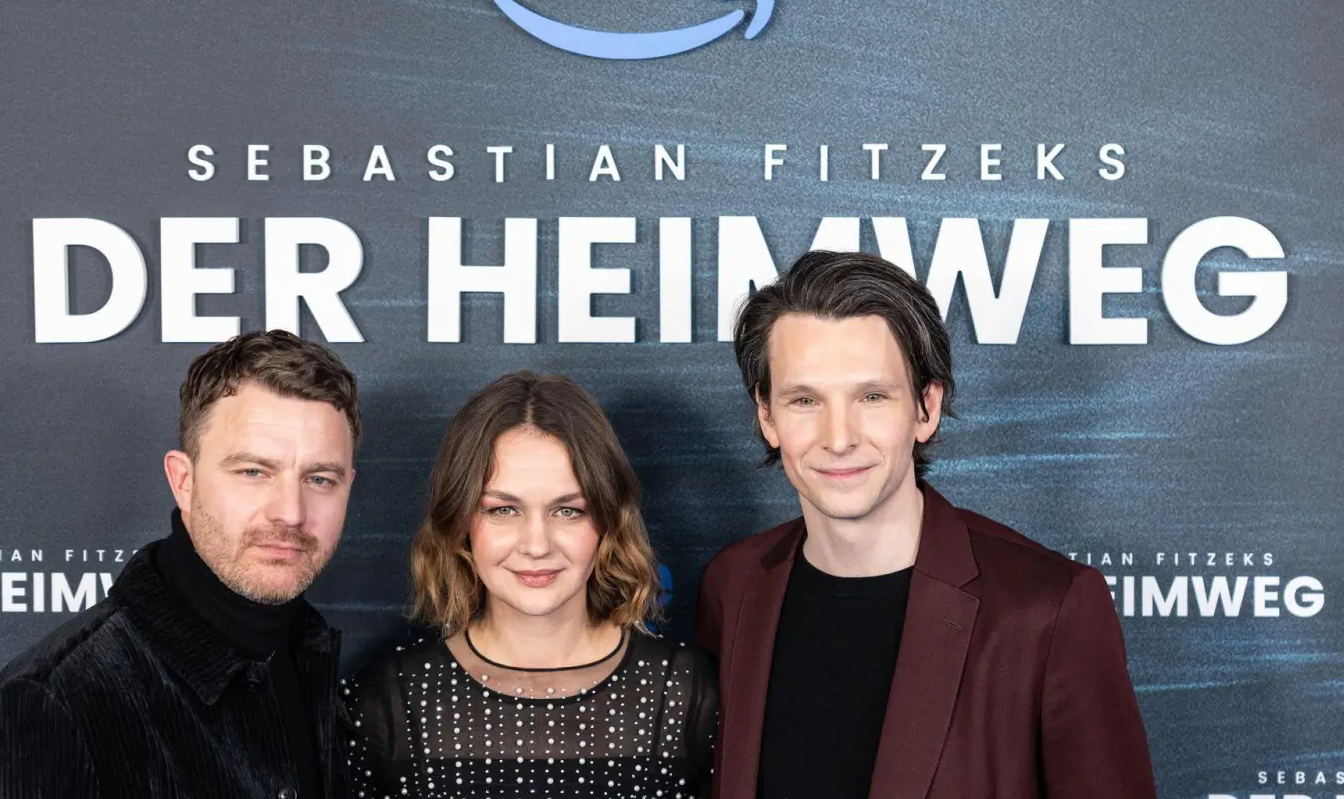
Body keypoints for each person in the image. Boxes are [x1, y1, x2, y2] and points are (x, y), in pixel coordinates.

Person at [696, 250, 1157, 799]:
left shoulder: (1047, 609)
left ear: (925, 407)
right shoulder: (734, 586)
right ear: (766, 416)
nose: (838, 437)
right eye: (804, 400)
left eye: (871, 396)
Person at [0, 330, 361, 799]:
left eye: (319, 478)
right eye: (253, 471)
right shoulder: (56, 701)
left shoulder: (304, 654)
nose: (290, 511)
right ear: (183, 481)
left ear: (348, 486)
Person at [343, 371, 718, 799]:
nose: (536, 545)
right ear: (461, 521)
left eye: (568, 511)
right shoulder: (387, 697)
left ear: (608, 521)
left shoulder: (687, 689)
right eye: (503, 510)